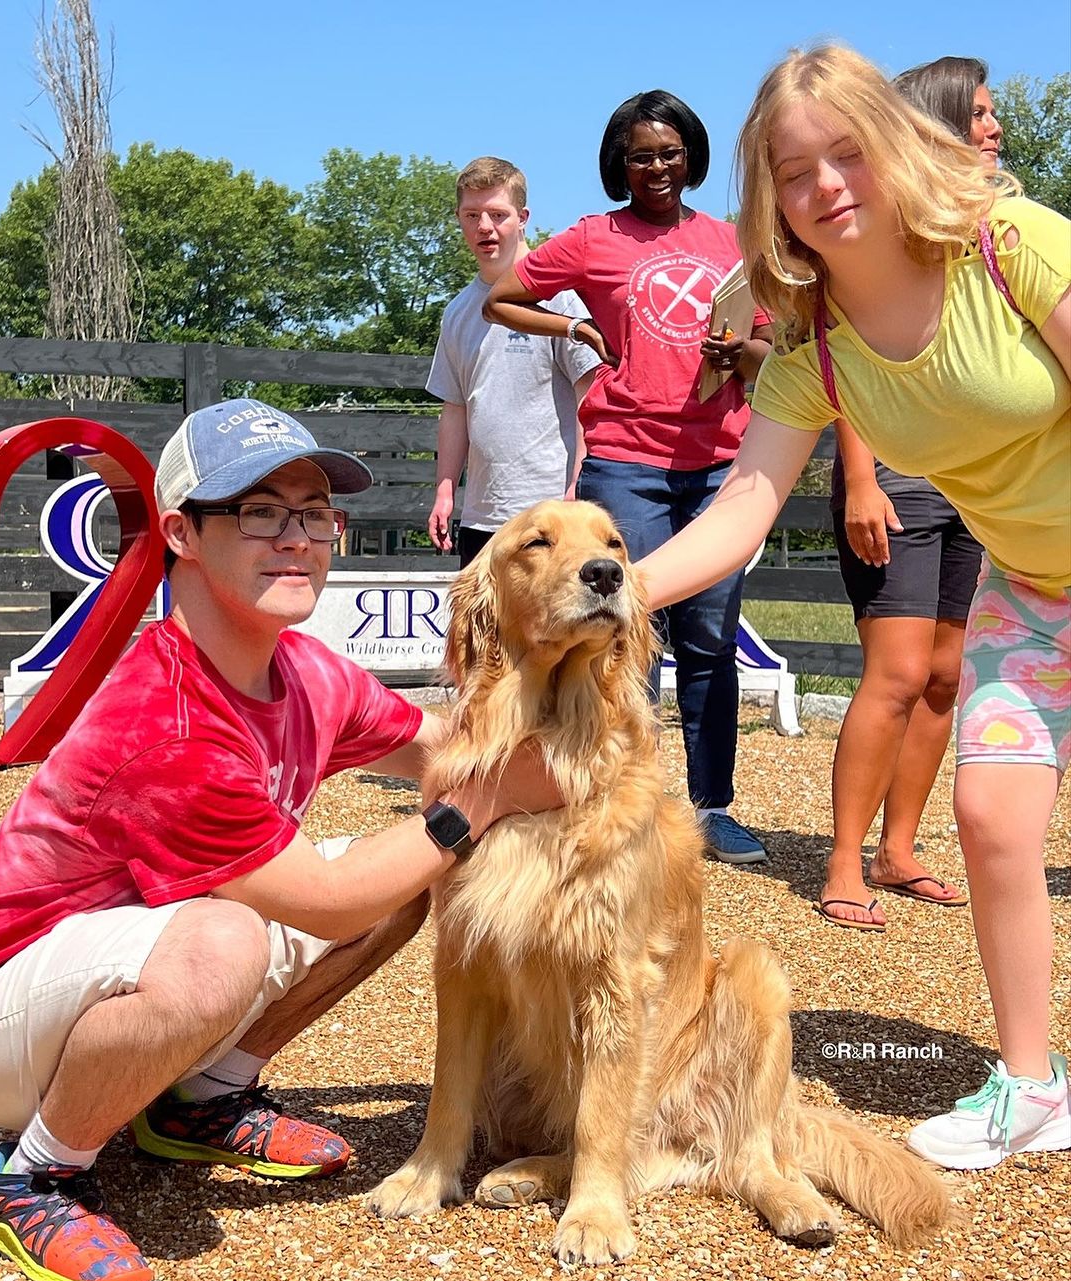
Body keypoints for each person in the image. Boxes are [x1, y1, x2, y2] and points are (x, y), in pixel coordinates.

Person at [0, 399, 563, 1281]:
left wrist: (563, 735)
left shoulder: (303, 669)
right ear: (180, 533)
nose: (296, 537)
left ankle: (202, 1096)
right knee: (241, 935)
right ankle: (33, 1174)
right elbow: (335, 899)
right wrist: (485, 802)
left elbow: (442, 746)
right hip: (10, 1010)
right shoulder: (165, 716)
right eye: (259, 512)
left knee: (395, 877)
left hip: (117, 977)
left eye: (312, 514)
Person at [636, 45, 1070, 1170]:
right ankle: (1033, 1087)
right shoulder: (815, 356)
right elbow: (739, 516)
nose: (826, 183)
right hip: (1034, 591)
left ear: (892, 147)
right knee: (992, 819)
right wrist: (616, 594)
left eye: (847, 152)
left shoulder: (1008, 246)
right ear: (768, 197)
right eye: (793, 170)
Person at [484, 91, 775, 865]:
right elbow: (502, 300)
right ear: (619, 161)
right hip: (626, 462)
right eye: (641, 154)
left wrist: (738, 356)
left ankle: (713, 807)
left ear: (692, 157)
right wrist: (575, 323)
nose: (657, 166)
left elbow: (773, 342)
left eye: (671, 152)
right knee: (618, 639)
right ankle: (623, 798)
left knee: (711, 643)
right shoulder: (592, 238)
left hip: (720, 462)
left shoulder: (732, 242)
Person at [818, 58, 1003, 931]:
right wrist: (859, 475)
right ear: (935, 126)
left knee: (943, 677)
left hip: (972, 484)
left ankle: (899, 849)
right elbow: (844, 363)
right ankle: (844, 860)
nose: (995, 128)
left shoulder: (993, 230)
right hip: (890, 480)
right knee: (892, 675)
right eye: (980, 114)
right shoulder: (876, 234)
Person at [427, 157, 600, 567]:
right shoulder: (457, 312)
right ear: (459, 220)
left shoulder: (559, 298)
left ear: (523, 218)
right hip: (481, 517)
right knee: (484, 632)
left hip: (551, 516)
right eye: (472, 215)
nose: (485, 227)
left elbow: (589, 396)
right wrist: (445, 489)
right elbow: (455, 409)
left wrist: (579, 486)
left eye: (498, 214)